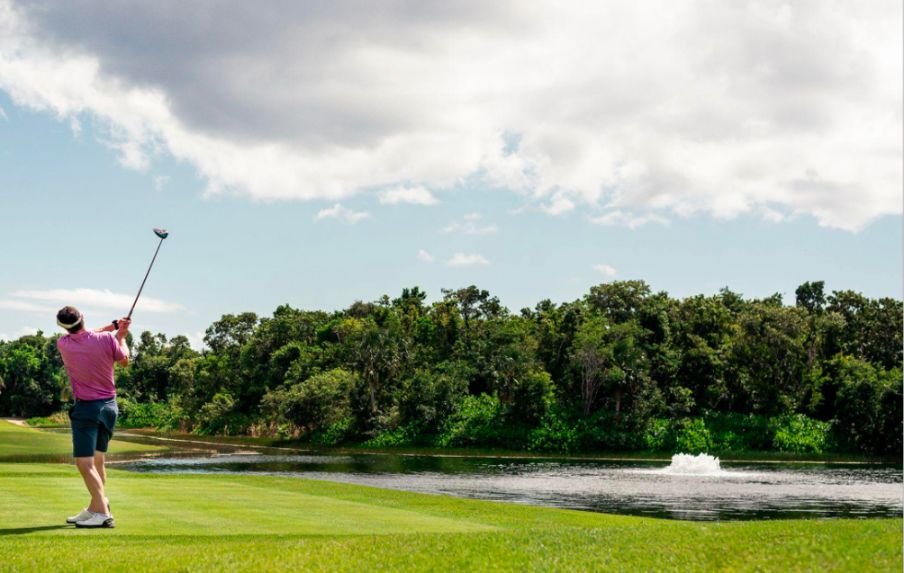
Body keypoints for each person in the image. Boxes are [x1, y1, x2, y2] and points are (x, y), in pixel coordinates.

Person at [55, 306, 130, 529]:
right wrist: (120, 336)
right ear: (83, 318)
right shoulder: (106, 339)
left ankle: (103, 513)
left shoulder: (63, 344)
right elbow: (124, 360)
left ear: (62, 326)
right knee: (97, 462)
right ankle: (95, 508)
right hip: (109, 408)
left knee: (84, 464)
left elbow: (84, 335)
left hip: (87, 409)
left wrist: (114, 329)